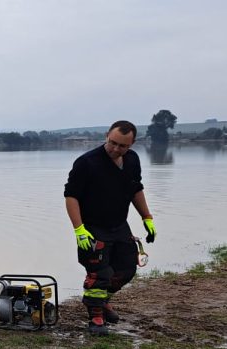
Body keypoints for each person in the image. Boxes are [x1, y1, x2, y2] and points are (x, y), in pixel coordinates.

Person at [64, 120, 157, 336]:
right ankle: (95, 317)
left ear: (132, 144)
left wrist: (147, 217)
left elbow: (136, 189)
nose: (115, 149)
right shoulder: (87, 163)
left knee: (127, 269)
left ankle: (103, 301)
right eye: (112, 142)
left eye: (122, 146)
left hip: (119, 225)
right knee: (100, 273)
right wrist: (79, 229)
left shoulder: (133, 161)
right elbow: (71, 196)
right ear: (107, 135)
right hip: (93, 227)